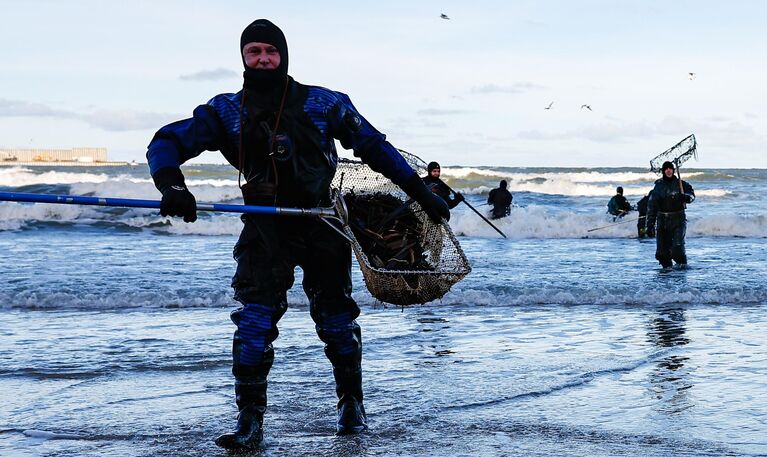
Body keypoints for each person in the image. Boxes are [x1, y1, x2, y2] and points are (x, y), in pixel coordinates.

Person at [146, 19, 450, 450]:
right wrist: (172, 185)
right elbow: (164, 142)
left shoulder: (324, 104)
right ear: (243, 59)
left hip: (321, 222)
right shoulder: (226, 111)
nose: (263, 59)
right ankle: (250, 419)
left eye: (270, 52)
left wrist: (421, 192)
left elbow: (375, 147)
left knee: (336, 322)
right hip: (264, 226)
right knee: (254, 322)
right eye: (254, 53)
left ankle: (351, 404)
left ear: (284, 56)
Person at [645, 161, 695, 269]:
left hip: (678, 220)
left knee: (677, 247)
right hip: (662, 221)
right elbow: (651, 206)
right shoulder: (658, 186)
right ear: (663, 171)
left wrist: (686, 197)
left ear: (673, 170)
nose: (668, 171)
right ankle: (666, 273)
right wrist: (649, 225)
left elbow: (692, 195)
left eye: (670, 168)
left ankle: (682, 269)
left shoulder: (681, 184)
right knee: (662, 253)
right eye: (666, 169)